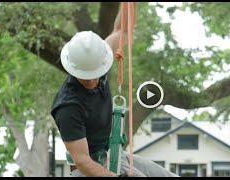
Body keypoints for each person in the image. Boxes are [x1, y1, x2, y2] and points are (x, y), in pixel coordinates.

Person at [50, 5, 178, 177]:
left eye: (95, 74)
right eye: (85, 76)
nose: (91, 80)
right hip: (91, 167)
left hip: (116, 155)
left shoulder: (100, 55)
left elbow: (122, 31)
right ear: (73, 69)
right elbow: (81, 160)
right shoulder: (68, 106)